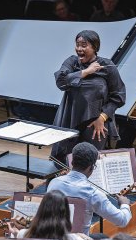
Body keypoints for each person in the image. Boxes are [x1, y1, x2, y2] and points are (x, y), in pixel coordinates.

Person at [51, 30, 126, 162]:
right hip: (69, 120)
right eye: (77, 44)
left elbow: (119, 96)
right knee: (65, 162)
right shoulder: (72, 62)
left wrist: (102, 118)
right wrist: (86, 71)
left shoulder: (107, 66)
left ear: (95, 47)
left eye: (84, 45)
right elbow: (61, 82)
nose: (79, 48)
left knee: (89, 163)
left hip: (95, 124)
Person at [48, 142, 132, 236]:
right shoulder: (93, 194)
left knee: (100, 236)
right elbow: (122, 220)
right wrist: (125, 204)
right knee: (103, 237)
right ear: (91, 167)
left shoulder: (54, 183)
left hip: (54, 237)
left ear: (72, 162)